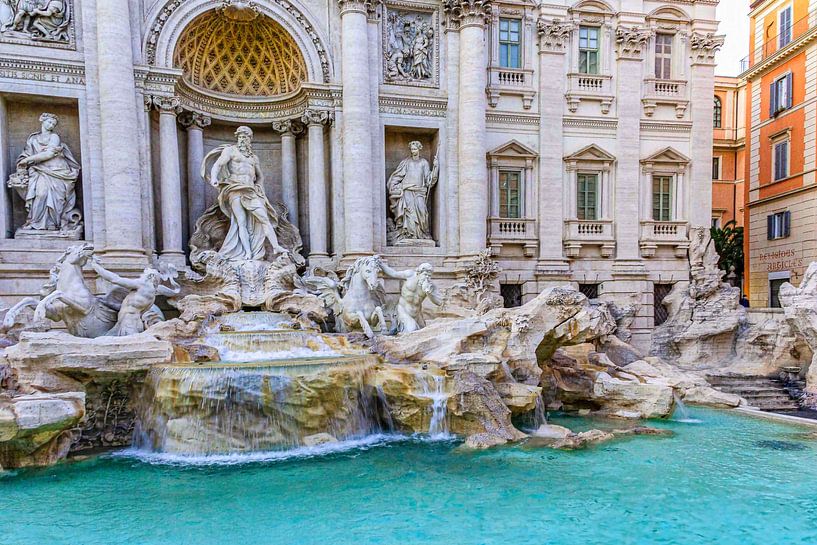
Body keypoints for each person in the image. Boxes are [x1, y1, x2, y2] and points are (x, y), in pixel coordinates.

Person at [203, 126, 288, 261]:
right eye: (240, 137)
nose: (242, 139)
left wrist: (260, 189)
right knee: (240, 222)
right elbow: (218, 165)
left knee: (264, 218)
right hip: (235, 189)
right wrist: (214, 178)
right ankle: (247, 253)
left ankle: (276, 246)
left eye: (245, 137)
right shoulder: (230, 151)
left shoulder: (253, 158)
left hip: (251, 191)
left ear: (250, 139)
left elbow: (260, 176)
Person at [11, 112, 80, 231]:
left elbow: (49, 154)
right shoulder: (33, 138)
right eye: (49, 122)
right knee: (40, 194)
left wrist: (28, 160)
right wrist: (24, 161)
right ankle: (35, 223)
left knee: (56, 199)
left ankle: (52, 224)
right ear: (42, 121)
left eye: (54, 124)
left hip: (57, 171)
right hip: (39, 171)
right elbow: (26, 153)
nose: (51, 125)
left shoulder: (54, 137)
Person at [386, 141, 438, 242]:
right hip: (407, 192)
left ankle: (421, 234)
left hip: (420, 192)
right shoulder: (406, 162)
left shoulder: (424, 163)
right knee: (409, 214)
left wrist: (435, 168)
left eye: (415, 149)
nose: (413, 151)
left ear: (419, 149)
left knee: (422, 212)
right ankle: (409, 235)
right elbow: (397, 177)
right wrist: (396, 186)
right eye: (412, 149)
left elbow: (429, 180)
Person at [378, 259, 443, 333]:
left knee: (423, 333)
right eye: (425, 274)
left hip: (417, 314)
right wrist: (381, 264)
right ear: (419, 272)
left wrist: (429, 293)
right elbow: (393, 273)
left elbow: (438, 302)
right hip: (403, 310)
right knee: (412, 330)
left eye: (429, 276)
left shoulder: (430, 286)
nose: (427, 277)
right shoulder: (410, 275)